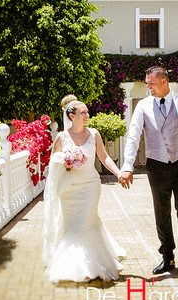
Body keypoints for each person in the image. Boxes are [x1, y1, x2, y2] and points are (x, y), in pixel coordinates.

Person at [118, 66, 178, 278]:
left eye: (151, 83)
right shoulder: (143, 106)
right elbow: (133, 135)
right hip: (156, 166)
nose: (148, 87)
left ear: (164, 81)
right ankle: (167, 256)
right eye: (147, 83)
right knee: (161, 212)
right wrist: (127, 165)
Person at [42, 95, 126, 283]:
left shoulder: (94, 134)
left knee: (85, 223)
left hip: (90, 186)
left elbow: (104, 157)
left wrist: (118, 173)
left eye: (87, 112)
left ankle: (88, 267)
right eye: (83, 113)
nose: (87, 115)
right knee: (74, 225)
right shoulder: (62, 137)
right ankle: (76, 264)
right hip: (69, 189)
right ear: (72, 116)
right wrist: (66, 159)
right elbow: (53, 160)